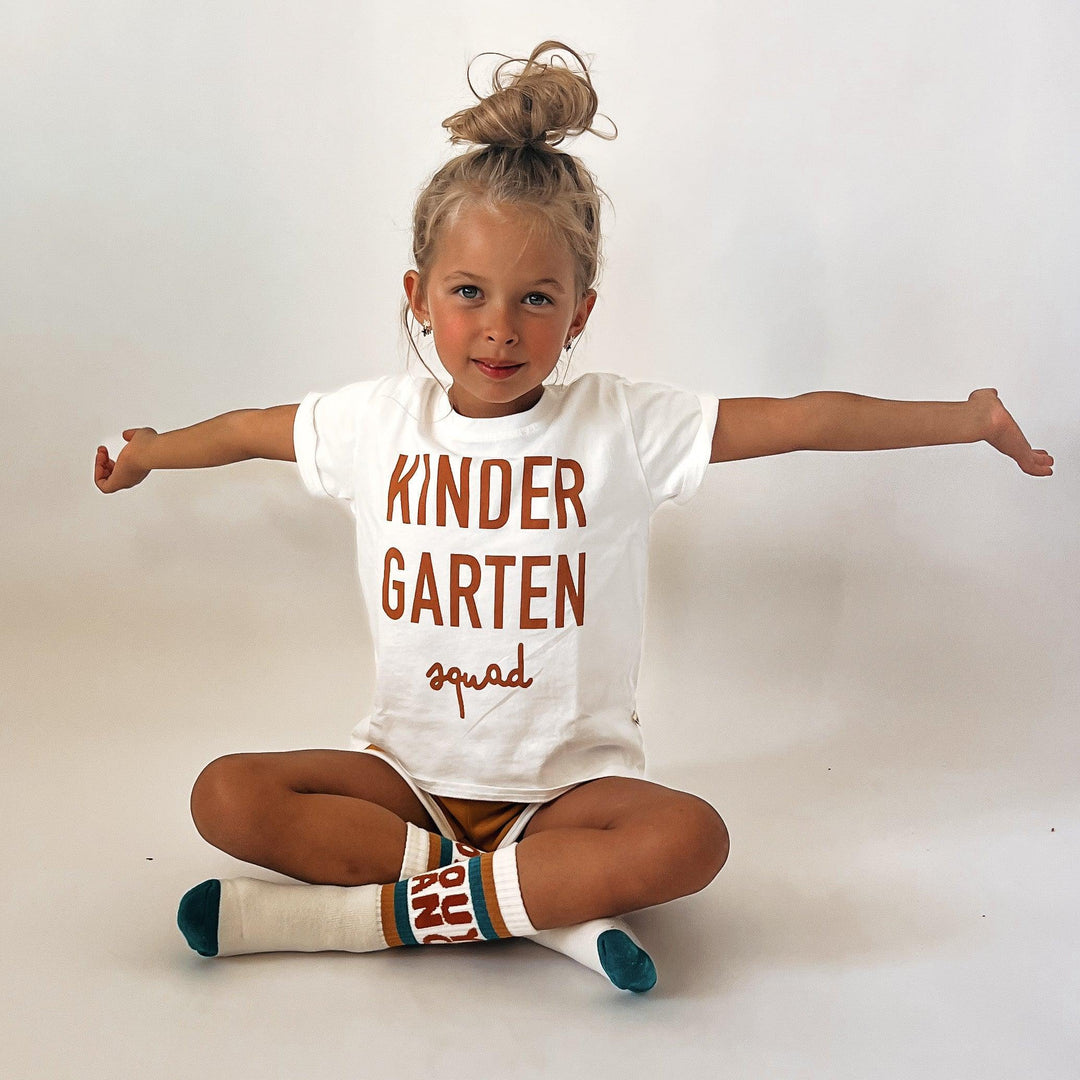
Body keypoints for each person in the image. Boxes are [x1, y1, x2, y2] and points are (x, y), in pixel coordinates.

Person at [94, 41, 1053, 994]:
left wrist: (969, 419)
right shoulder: (373, 424)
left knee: (692, 838)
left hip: (567, 798)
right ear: (418, 298)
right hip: (407, 786)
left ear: (581, 314)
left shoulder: (618, 427)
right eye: (468, 293)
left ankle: (355, 919)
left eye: (536, 299)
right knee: (227, 793)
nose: (500, 327)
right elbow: (247, 431)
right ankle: (542, 912)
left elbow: (802, 419)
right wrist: (149, 450)